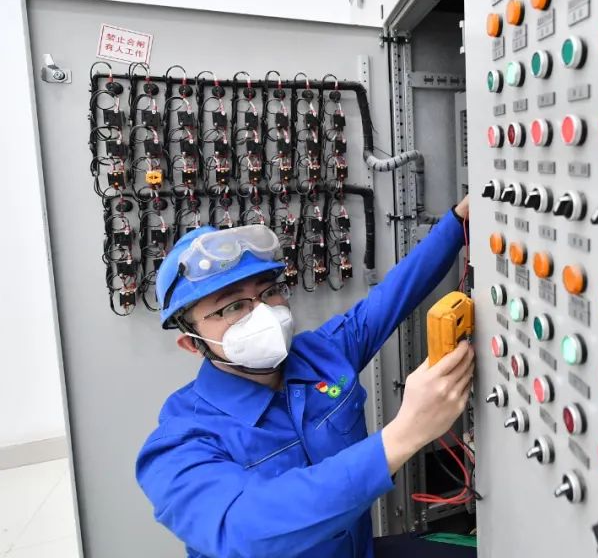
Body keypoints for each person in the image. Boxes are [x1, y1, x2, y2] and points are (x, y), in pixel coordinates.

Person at [136, 198, 475, 558]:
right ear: (192, 343)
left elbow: (394, 295)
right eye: (233, 306)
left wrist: (458, 221)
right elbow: (242, 530)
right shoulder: (179, 443)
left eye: (269, 292)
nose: (264, 313)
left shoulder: (320, 355)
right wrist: (404, 435)